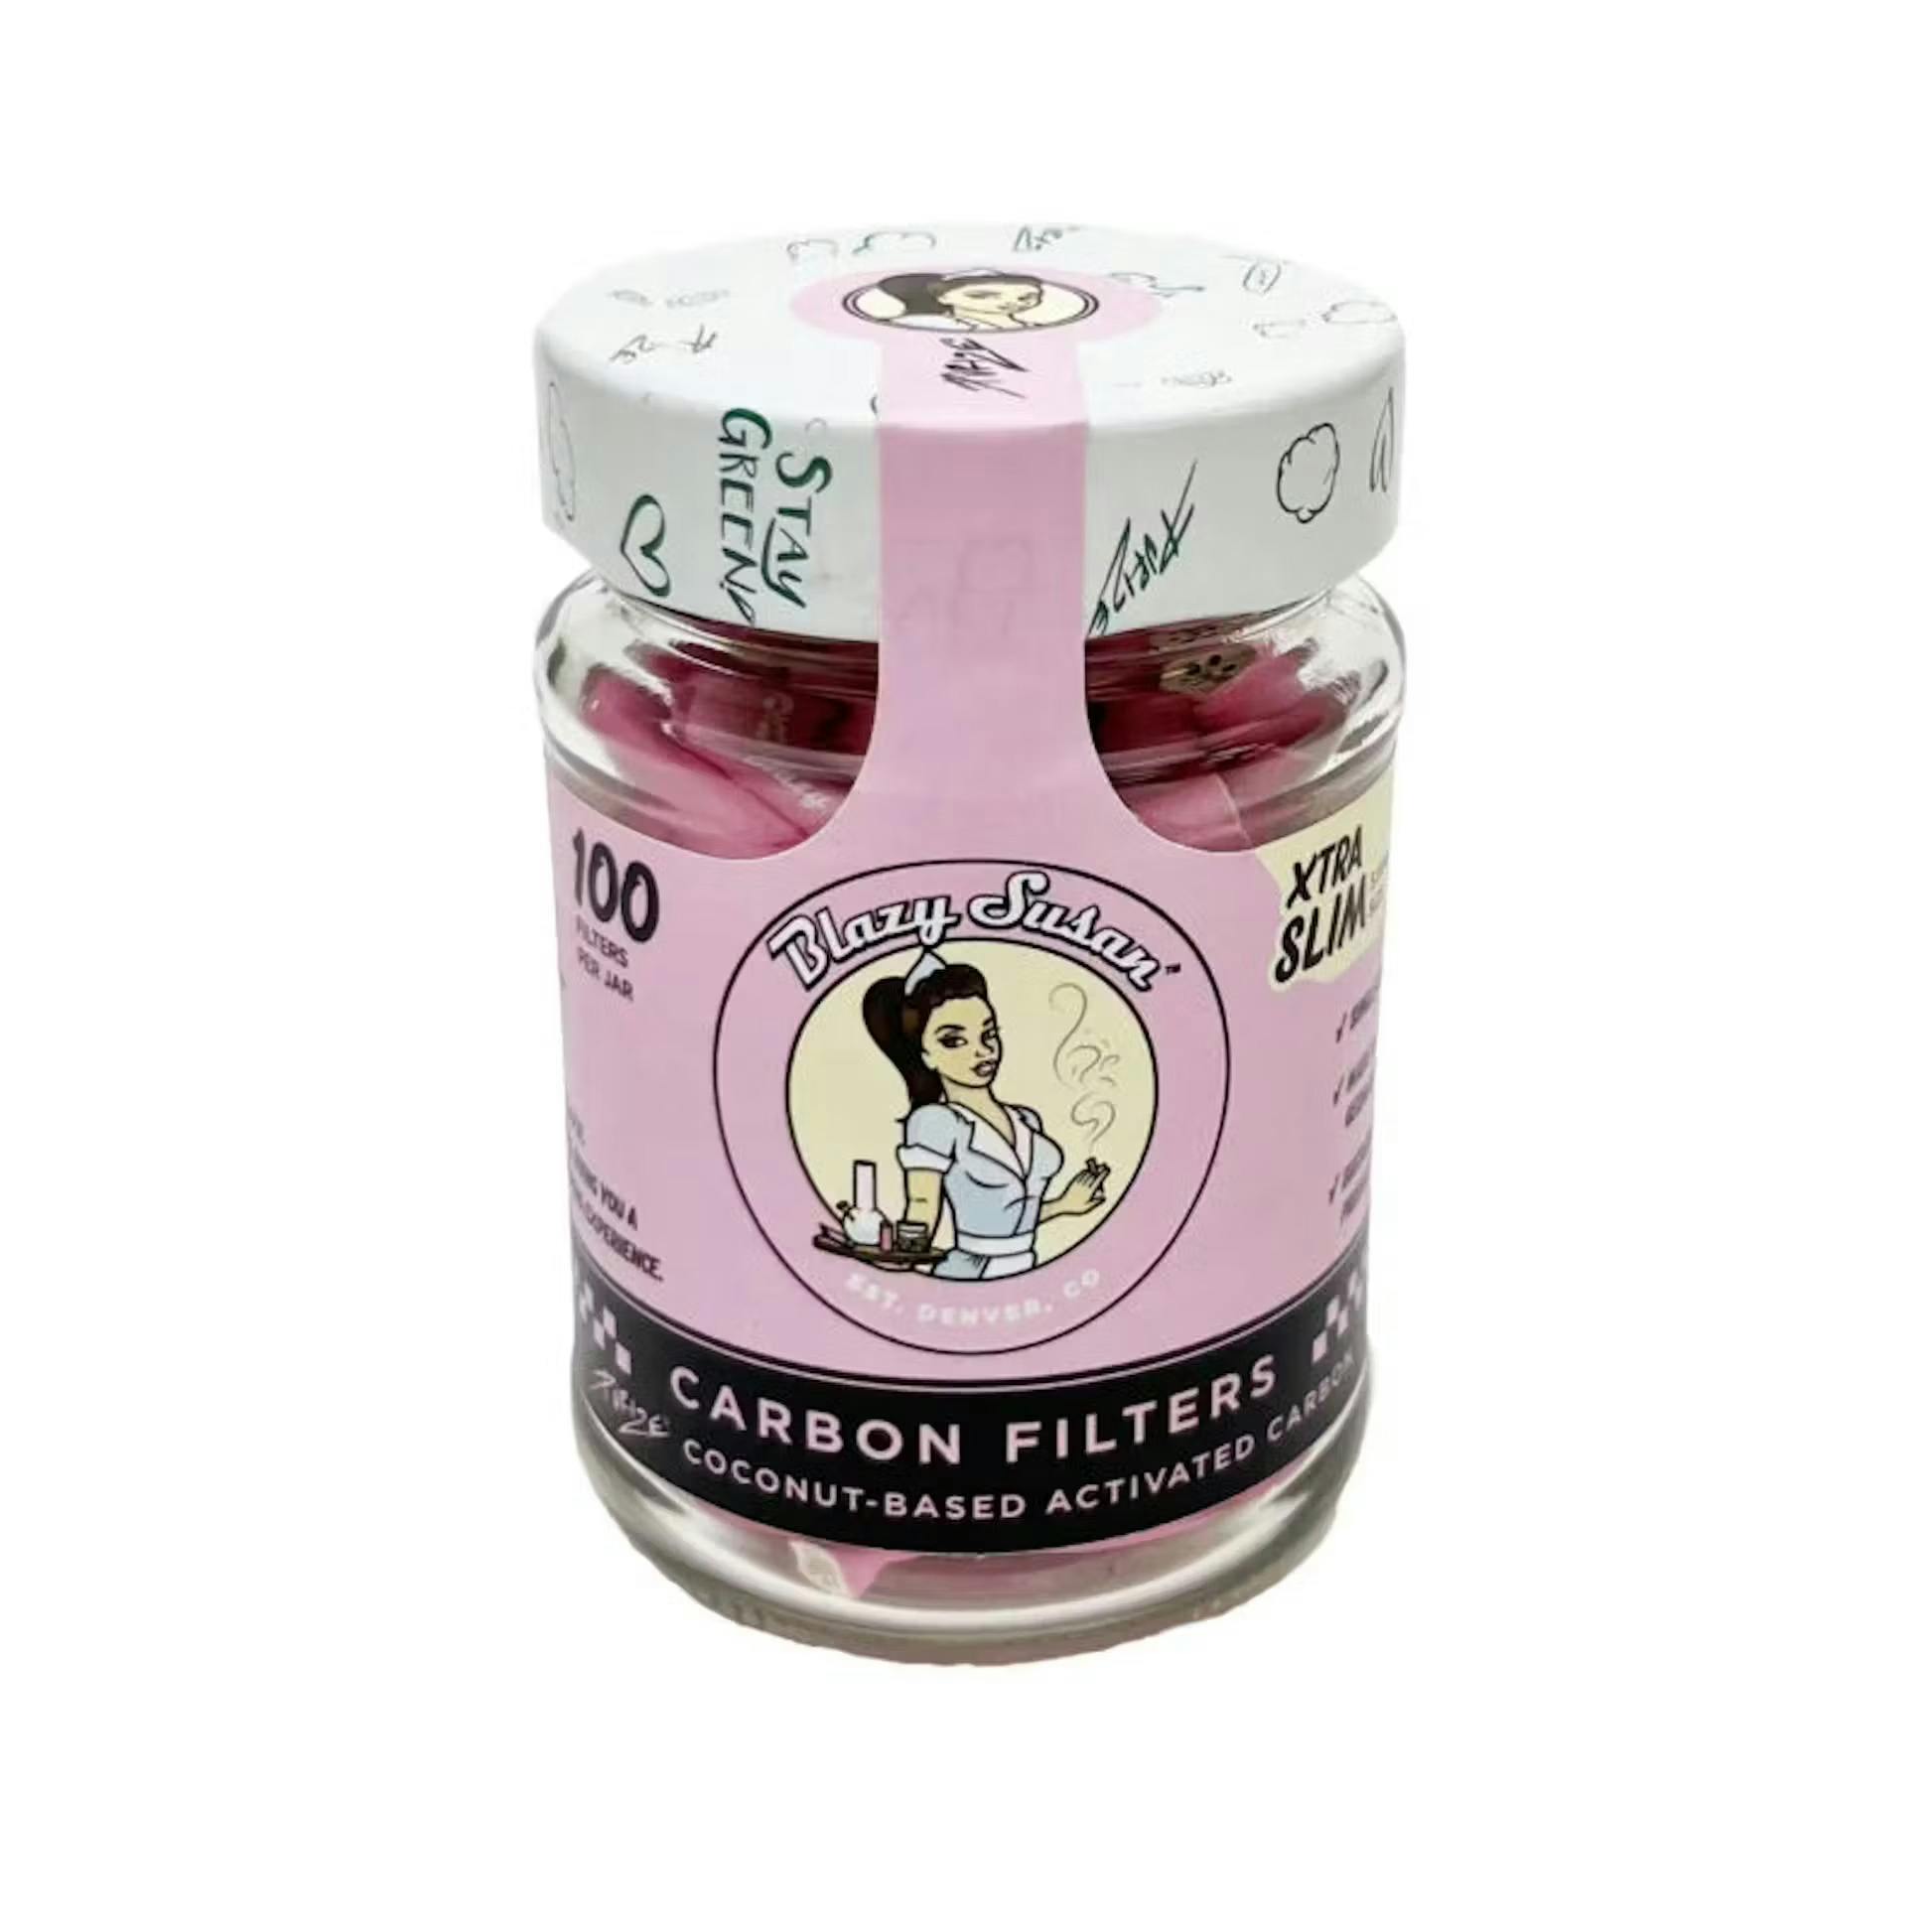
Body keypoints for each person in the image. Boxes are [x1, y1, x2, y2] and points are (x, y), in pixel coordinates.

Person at [862, 950, 1108, 1280]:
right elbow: (922, 1204)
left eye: (988, 1034)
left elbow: (1010, 1217)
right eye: (954, 1041)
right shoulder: (935, 1122)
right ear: (926, 1055)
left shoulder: (1026, 1120)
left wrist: (1065, 1204)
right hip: (971, 1271)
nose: (982, 1050)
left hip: (1026, 1267)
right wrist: (899, 1253)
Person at [870, 270, 1051, 332]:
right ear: (943, 297)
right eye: (983, 296)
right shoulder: (928, 324)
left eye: (1026, 297)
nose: (1011, 302)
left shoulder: (1036, 328)